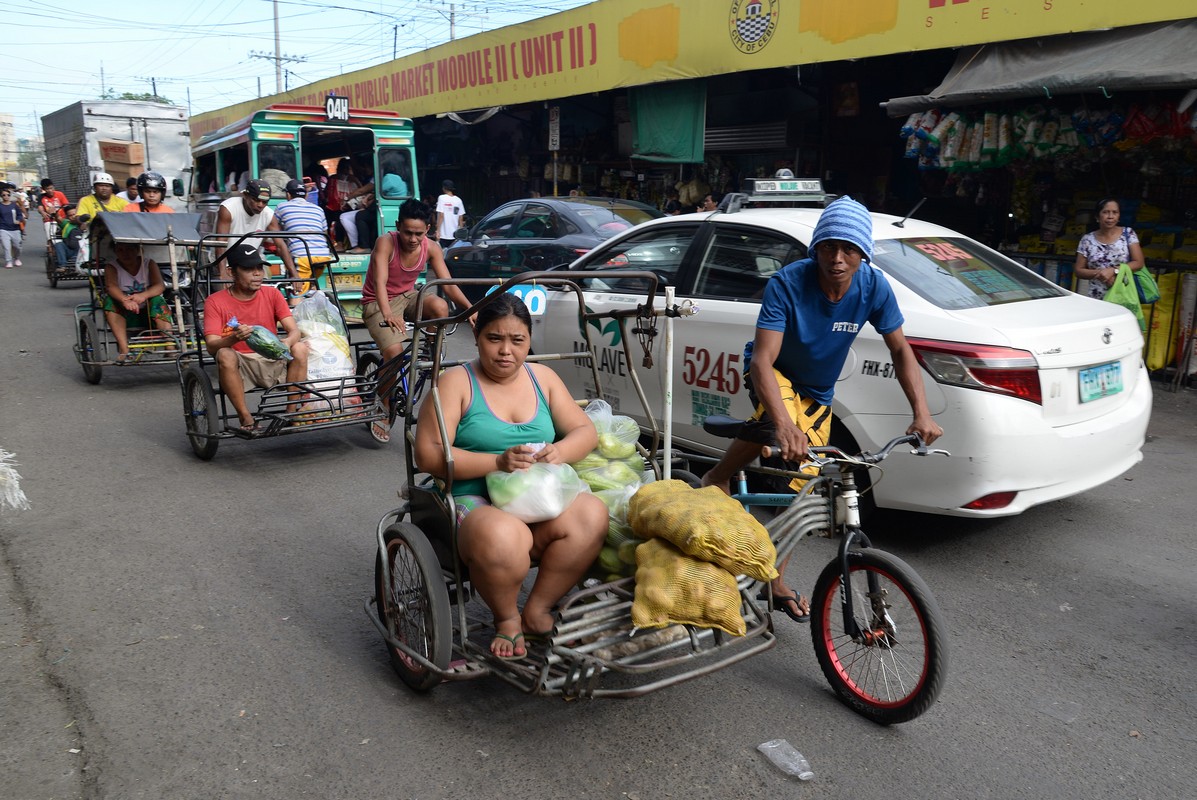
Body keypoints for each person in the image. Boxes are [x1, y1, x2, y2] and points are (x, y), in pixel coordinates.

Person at [699, 196, 943, 623]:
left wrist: (921, 413)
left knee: (804, 487)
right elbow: (762, 361)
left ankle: (770, 572)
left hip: (818, 391)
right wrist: (783, 423)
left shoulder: (873, 286)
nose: (837, 258)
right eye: (828, 246)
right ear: (815, 249)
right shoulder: (788, 283)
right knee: (783, 428)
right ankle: (718, 478)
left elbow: (901, 349)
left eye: (849, 249)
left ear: (863, 254)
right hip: (773, 373)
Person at [413, 293, 608, 659]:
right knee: (506, 534)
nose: (506, 351)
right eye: (494, 339)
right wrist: (496, 463)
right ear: (477, 337)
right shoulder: (456, 383)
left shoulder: (543, 378)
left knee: (592, 514)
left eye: (517, 341)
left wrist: (560, 451)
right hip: (474, 501)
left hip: (538, 498)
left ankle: (536, 611)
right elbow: (428, 454)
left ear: (529, 341)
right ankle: (507, 620)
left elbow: (585, 431)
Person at [362, 199, 475, 443]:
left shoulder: (432, 247)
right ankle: (382, 404)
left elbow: (448, 285)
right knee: (394, 352)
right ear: (398, 226)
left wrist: (470, 309)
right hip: (377, 302)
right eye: (408, 233)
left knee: (439, 304)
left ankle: (429, 352)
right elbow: (380, 283)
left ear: (428, 230)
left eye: (419, 234)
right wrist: (388, 314)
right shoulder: (386, 243)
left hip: (409, 296)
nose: (413, 239)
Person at [202, 244, 310, 432]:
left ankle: (291, 412)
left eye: (259, 268)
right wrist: (234, 338)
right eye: (248, 269)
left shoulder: (272, 294)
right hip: (241, 365)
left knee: (300, 348)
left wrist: (288, 341)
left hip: (272, 358)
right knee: (224, 354)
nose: (257, 274)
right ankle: (246, 418)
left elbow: (294, 331)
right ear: (231, 272)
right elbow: (211, 346)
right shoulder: (215, 301)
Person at [101, 241, 175, 362]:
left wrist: (143, 296)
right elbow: (111, 287)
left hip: (148, 312)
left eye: (129, 249)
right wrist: (125, 300)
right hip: (125, 313)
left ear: (137, 250)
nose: (125, 253)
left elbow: (159, 286)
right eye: (120, 250)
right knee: (110, 302)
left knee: (158, 301)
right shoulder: (112, 267)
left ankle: (170, 345)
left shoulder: (148, 263)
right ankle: (124, 349)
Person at [267, 178, 334, 301]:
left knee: (297, 292)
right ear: (306, 194)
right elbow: (324, 233)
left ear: (288, 194)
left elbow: (275, 230)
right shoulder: (318, 209)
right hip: (324, 257)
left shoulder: (282, 207)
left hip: (303, 257)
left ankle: (296, 317)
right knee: (309, 287)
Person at [1073, 198, 1145, 300]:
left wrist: (1113, 271)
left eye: (1114, 212)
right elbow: (1078, 270)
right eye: (1106, 212)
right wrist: (1101, 274)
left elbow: (1138, 262)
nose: (1110, 216)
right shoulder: (1087, 240)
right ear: (1097, 217)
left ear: (1119, 216)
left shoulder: (1128, 234)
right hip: (1097, 297)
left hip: (1123, 295)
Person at [214, 180, 274, 266]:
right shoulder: (229, 208)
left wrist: (295, 276)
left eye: (264, 202)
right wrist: (223, 272)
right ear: (245, 196)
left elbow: (280, 245)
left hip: (252, 264)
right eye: (256, 200)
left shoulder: (269, 214)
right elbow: (220, 243)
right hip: (226, 263)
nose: (260, 205)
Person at [434, 179, 465, 249]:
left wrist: (438, 231)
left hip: (443, 235)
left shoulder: (441, 198)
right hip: (455, 235)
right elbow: (461, 218)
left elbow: (441, 215)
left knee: (441, 255)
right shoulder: (458, 200)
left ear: (444, 188)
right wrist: (461, 234)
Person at [54, 204, 86, 269]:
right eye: (70, 215)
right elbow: (58, 218)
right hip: (69, 250)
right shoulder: (66, 223)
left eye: (74, 214)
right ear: (67, 217)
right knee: (59, 244)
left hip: (82, 251)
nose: (73, 217)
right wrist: (55, 213)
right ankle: (62, 266)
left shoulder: (85, 224)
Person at [0, 186, 25, 268]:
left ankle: (16, 258)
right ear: (1, 196)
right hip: (3, 229)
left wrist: (19, 220)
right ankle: (8, 261)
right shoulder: (0, 206)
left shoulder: (14, 205)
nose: (6, 196)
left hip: (15, 228)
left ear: (10, 195)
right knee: (6, 246)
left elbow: (20, 215)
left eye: (7, 195)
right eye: (4, 195)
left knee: (17, 246)